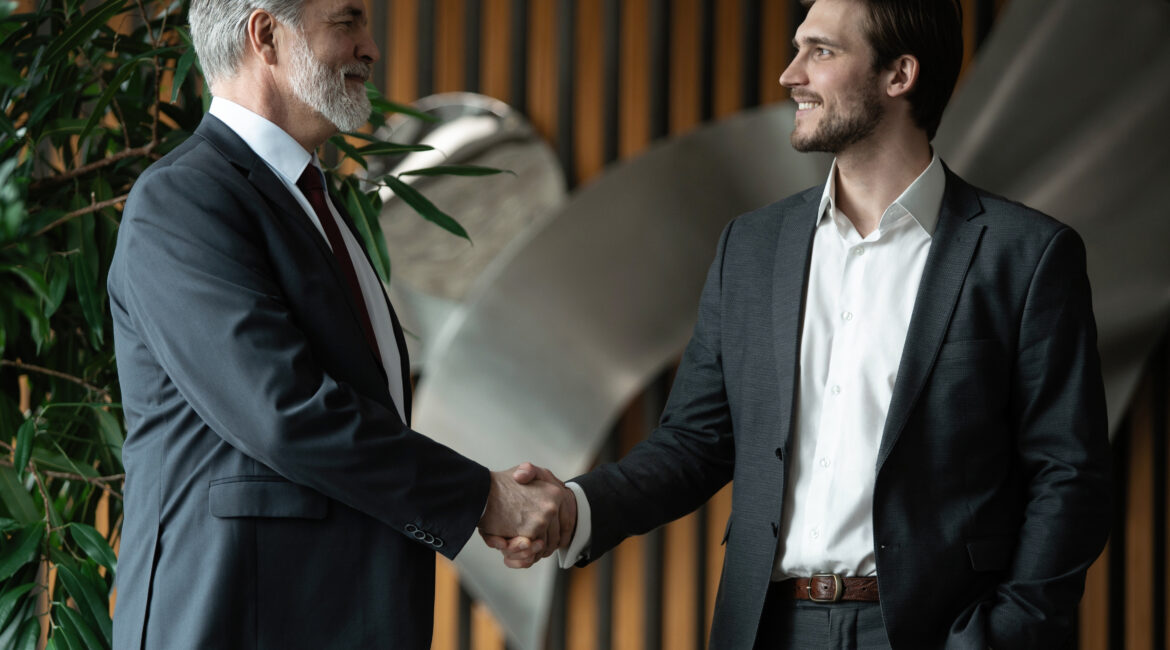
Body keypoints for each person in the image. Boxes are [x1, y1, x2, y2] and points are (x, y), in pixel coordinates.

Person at [487, 0, 1111, 647]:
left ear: (899, 75)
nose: (790, 75)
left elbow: (1069, 475)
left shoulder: (1026, 254)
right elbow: (695, 442)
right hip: (767, 627)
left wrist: (1002, 635)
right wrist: (577, 508)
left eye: (821, 51)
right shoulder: (751, 248)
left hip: (939, 630)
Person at [107, 1, 573, 647]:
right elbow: (286, 412)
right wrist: (481, 498)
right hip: (238, 621)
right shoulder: (183, 200)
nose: (371, 48)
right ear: (266, 34)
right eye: (348, 23)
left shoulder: (317, 202)